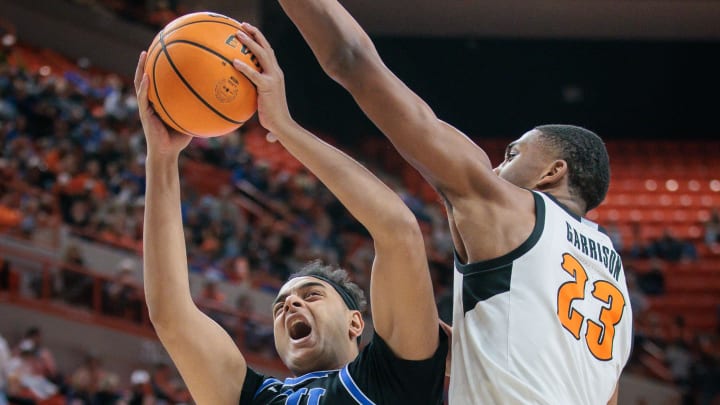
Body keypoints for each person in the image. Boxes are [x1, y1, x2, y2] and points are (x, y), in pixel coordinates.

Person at [276, 2, 633, 403]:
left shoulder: (506, 208)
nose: (497, 169)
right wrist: (465, 351)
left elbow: (352, 59)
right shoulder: (614, 283)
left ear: (552, 172)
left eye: (512, 155)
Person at [134, 23, 446, 404]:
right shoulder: (252, 396)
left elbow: (398, 230)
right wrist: (162, 159)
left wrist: (283, 127)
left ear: (355, 323)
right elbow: (171, 314)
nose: (290, 306)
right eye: (281, 306)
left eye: (312, 296)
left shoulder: (391, 377)